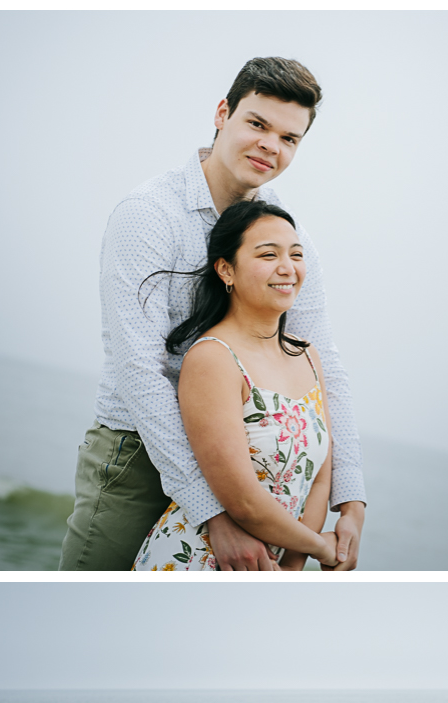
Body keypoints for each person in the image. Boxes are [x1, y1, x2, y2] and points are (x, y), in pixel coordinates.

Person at [59, 56, 365, 571]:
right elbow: (139, 369)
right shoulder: (149, 214)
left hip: (245, 460)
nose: (271, 145)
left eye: (289, 138)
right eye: (257, 124)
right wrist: (212, 512)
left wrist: (350, 498)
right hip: (139, 454)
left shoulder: (288, 237)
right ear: (223, 112)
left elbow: (321, 360)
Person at [132, 200, 337, 570]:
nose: (287, 268)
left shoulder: (308, 356)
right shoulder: (213, 358)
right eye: (268, 255)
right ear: (226, 269)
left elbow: (319, 479)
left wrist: (293, 563)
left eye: (296, 254)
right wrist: (324, 550)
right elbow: (242, 501)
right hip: (201, 557)